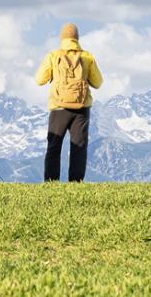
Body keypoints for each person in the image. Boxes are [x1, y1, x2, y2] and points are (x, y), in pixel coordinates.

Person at [35, 22, 103, 182]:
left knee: (54, 146)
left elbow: (39, 80)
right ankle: (76, 183)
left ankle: (51, 182)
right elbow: (98, 83)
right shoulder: (87, 57)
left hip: (58, 107)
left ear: (62, 38)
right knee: (78, 147)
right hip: (81, 108)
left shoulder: (53, 56)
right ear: (77, 38)